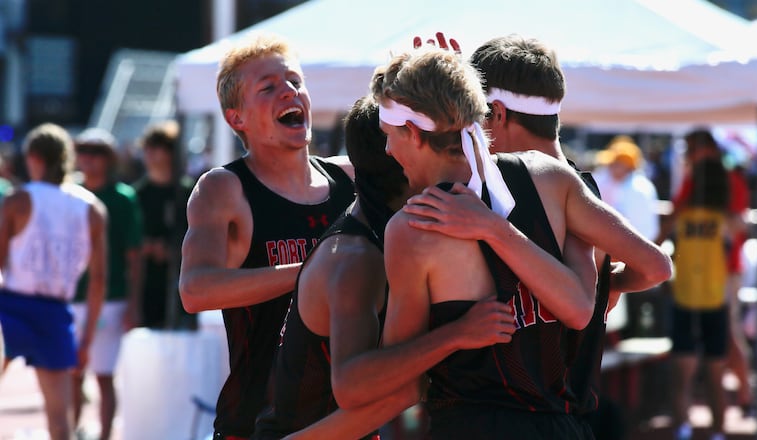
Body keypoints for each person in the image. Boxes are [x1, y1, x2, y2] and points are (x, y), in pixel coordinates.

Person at [328, 47, 671, 439]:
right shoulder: (548, 176)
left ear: (415, 133)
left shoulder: (414, 228)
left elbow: (395, 375)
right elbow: (642, 274)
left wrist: (455, 332)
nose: (388, 151)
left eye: (390, 136)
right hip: (564, 426)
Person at [251, 95, 516, 440]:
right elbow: (353, 385)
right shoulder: (356, 259)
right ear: (402, 158)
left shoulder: (379, 228)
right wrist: (457, 334)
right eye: (444, 148)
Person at [178, 32, 355, 440]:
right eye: (269, 87)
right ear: (235, 117)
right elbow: (195, 290)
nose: (289, 92)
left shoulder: (351, 177)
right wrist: (312, 271)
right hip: (259, 421)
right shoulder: (223, 188)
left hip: (350, 420)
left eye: (295, 82)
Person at [0, 123, 107, 440]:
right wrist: (86, 339)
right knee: (61, 422)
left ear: (33, 157)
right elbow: (98, 279)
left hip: (11, 306)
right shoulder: (92, 209)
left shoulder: (18, 200)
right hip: (56, 311)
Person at [661, 128, 748, 440]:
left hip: (698, 292)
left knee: (692, 365)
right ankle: (716, 427)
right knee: (713, 364)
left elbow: (663, 236)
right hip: (708, 293)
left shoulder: (688, 215)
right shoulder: (724, 219)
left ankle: (693, 424)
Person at [71, 127, 144, 440]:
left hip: (113, 299)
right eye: (83, 152)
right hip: (71, 298)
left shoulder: (123, 199)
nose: (89, 160)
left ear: (109, 159)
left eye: (96, 153)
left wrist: (133, 304)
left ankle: (104, 436)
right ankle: (71, 432)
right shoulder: (70, 194)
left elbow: (134, 256)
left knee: (103, 376)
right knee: (71, 375)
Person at [133, 120, 196, 329]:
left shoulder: (190, 193)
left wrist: (173, 251)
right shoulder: (137, 194)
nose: (149, 153)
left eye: (157, 146)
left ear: (171, 152)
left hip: (182, 287)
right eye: (147, 147)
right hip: (145, 287)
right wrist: (144, 247)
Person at [593, 135, 660, 242]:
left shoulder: (639, 189)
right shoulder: (616, 182)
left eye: (615, 164)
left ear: (627, 166)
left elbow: (641, 232)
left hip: (632, 248)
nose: (609, 166)